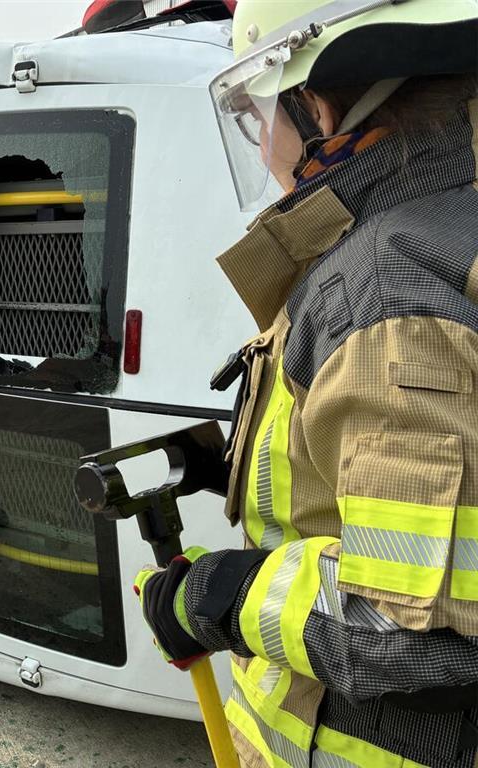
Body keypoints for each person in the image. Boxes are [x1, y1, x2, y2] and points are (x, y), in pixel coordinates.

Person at [134, 2, 478, 767]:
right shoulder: (445, 224)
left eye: (263, 115)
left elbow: (422, 635)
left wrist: (218, 596)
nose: (263, 149)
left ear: (318, 104)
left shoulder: (386, 286)